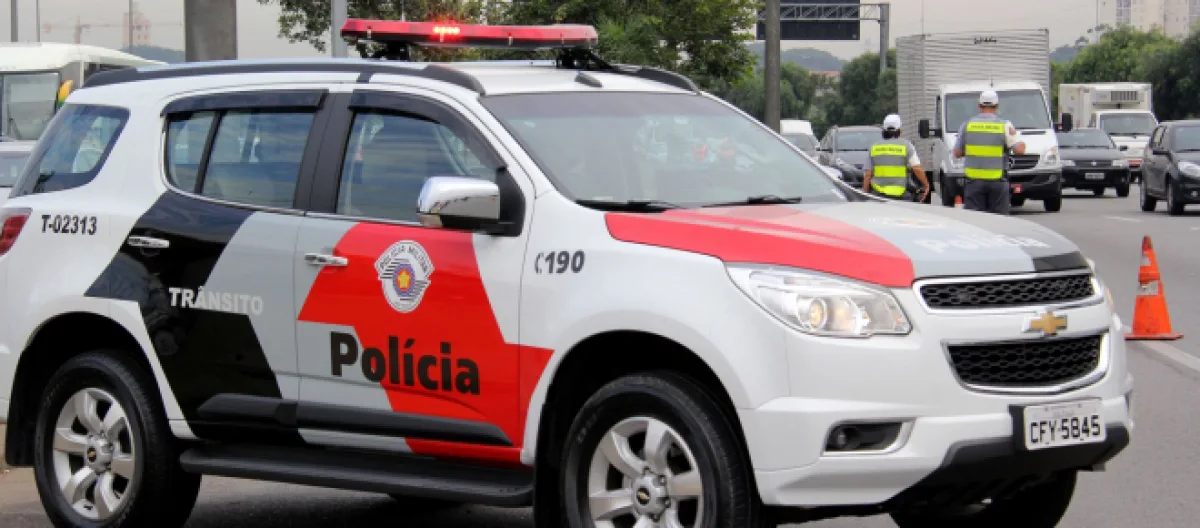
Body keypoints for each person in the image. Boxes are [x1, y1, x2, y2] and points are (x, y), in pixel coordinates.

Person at [952, 90, 1026, 214]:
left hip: (973, 183)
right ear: (997, 106)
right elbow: (1020, 150)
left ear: (979, 105)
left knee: (975, 220)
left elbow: (957, 153)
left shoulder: (967, 125)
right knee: (999, 220)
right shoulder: (1004, 126)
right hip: (997, 182)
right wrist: (1018, 139)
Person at [862, 114, 930, 202]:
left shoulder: (874, 147)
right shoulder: (907, 146)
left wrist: (865, 194)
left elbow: (868, 174)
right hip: (901, 195)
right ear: (899, 130)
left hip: (878, 195)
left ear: (884, 130)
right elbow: (916, 168)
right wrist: (926, 185)